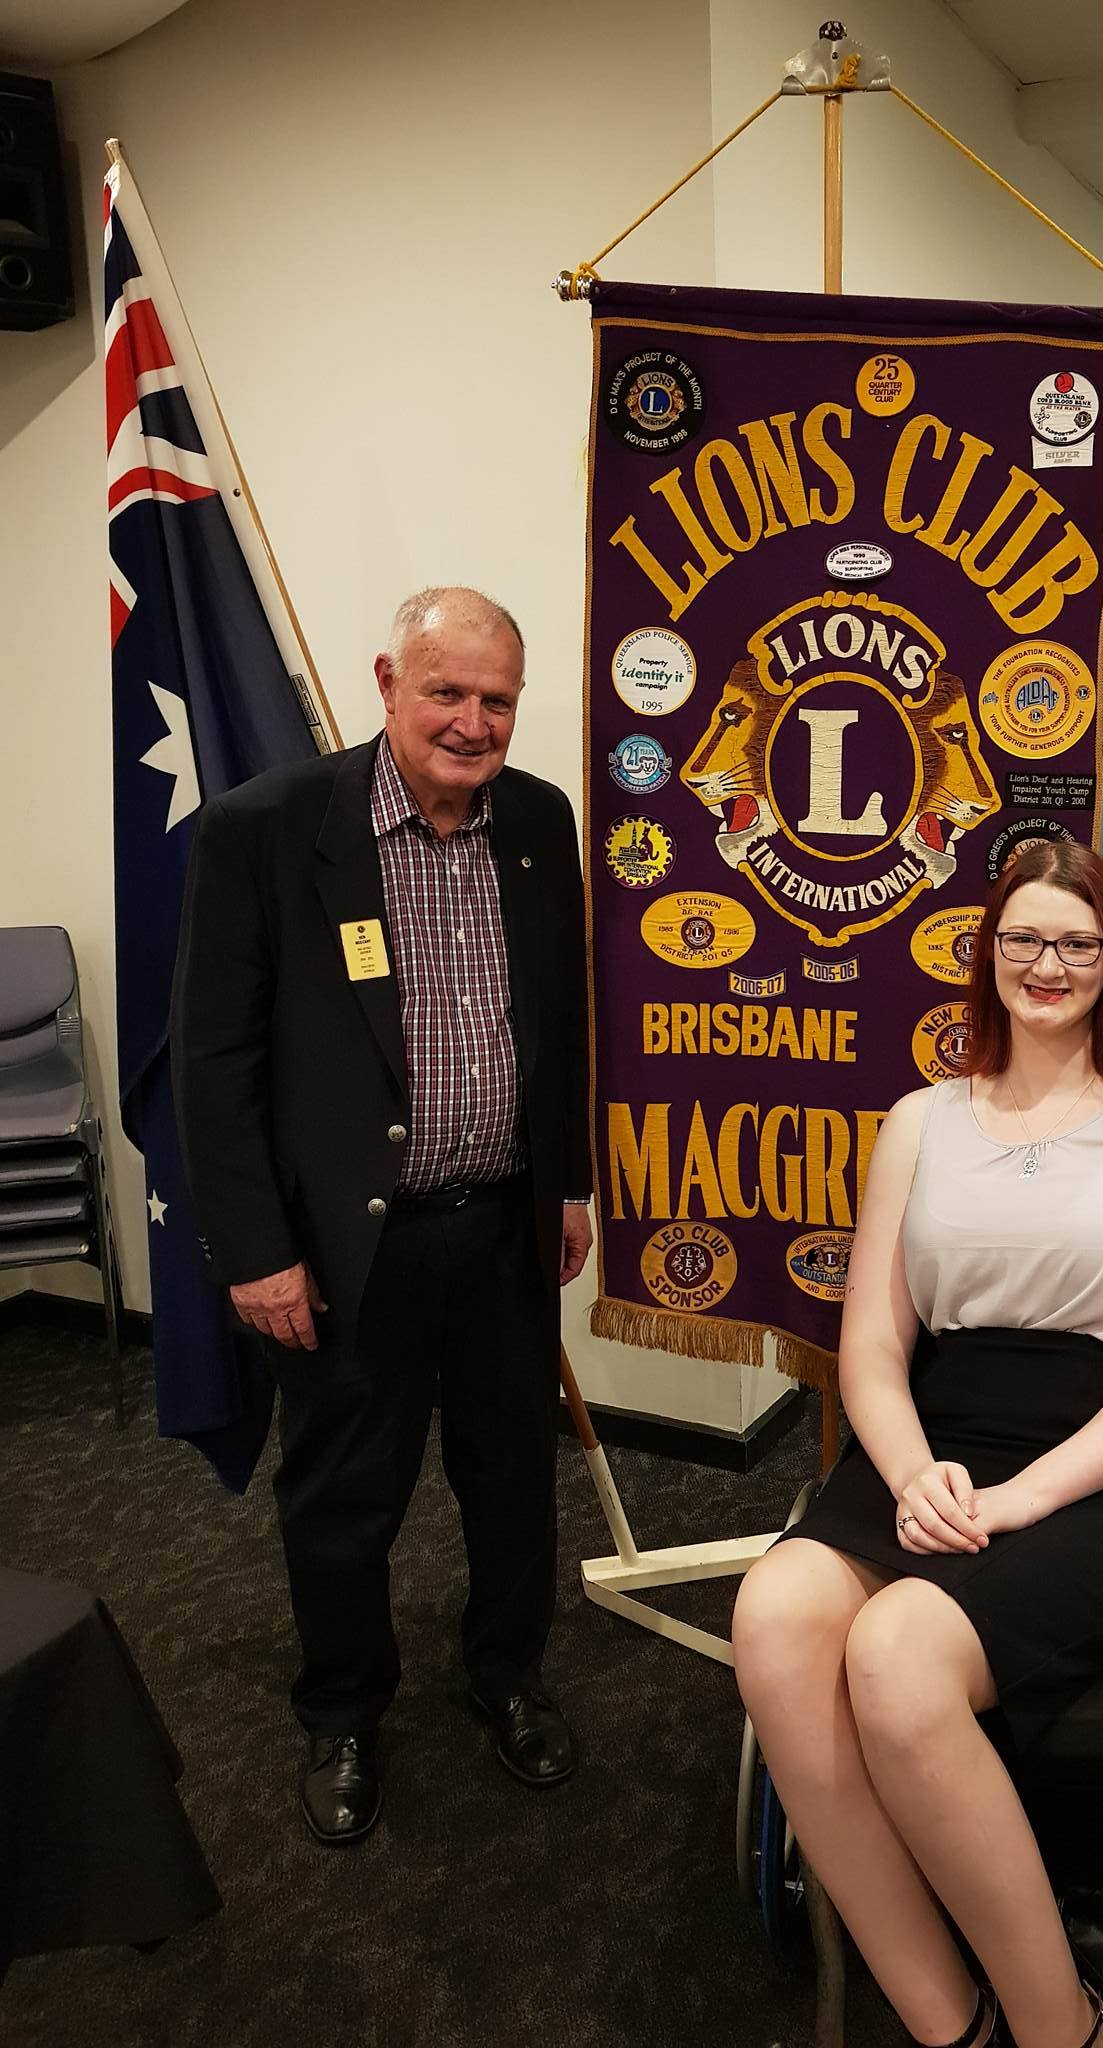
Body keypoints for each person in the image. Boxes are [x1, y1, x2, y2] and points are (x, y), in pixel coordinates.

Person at [732, 838, 1103, 2048]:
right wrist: (913, 1471)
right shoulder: (922, 1118)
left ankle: (1062, 2026)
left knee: (902, 1650)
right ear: (990, 953)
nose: (1048, 962)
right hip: (941, 1441)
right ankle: (943, 2017)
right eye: (1024, 937)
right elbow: (870, 1346)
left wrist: (1021, 1499)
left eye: (1078, 941)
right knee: (775, 1615)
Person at [172, 586, 593, 1845]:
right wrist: (255, 1251)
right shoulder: (268, 830)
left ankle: (506, 1670)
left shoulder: (536, 819)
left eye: (497, 700)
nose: (473, 722)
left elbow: (553, 1022)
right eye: (447, 692)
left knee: (513, 1475)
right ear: (387, 684)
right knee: (346, 1494)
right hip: (355, 1247)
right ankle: (344, 1709)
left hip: (503, 1227)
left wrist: (565, 1179)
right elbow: (215, 1061)